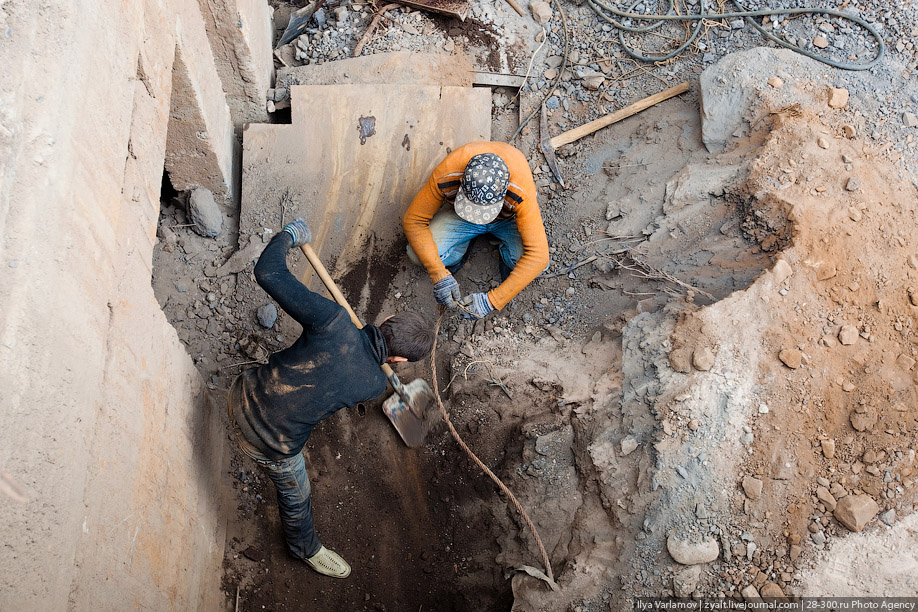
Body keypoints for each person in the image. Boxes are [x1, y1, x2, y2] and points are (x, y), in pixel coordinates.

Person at [226, 218, 434, 578]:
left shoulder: (331, 318)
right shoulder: (371, 385)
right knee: (296, 495)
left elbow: (267, 271)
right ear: (399, 361)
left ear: (388, 316)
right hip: (267, 443)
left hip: (240, 393)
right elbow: (356, 365)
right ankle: (304, 549)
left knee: (296, 361)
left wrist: (290, 235)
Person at [402, 141, 550, 320]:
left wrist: (492, 301)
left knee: (531, 263)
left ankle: (504, 252)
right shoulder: (447, 172)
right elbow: (414, 220)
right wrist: (439, 274)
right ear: (462, 182)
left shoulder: (520, 188)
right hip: (461, 217)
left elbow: (539, 256)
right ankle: (460, 249)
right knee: (416, 254)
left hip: (507, 220)